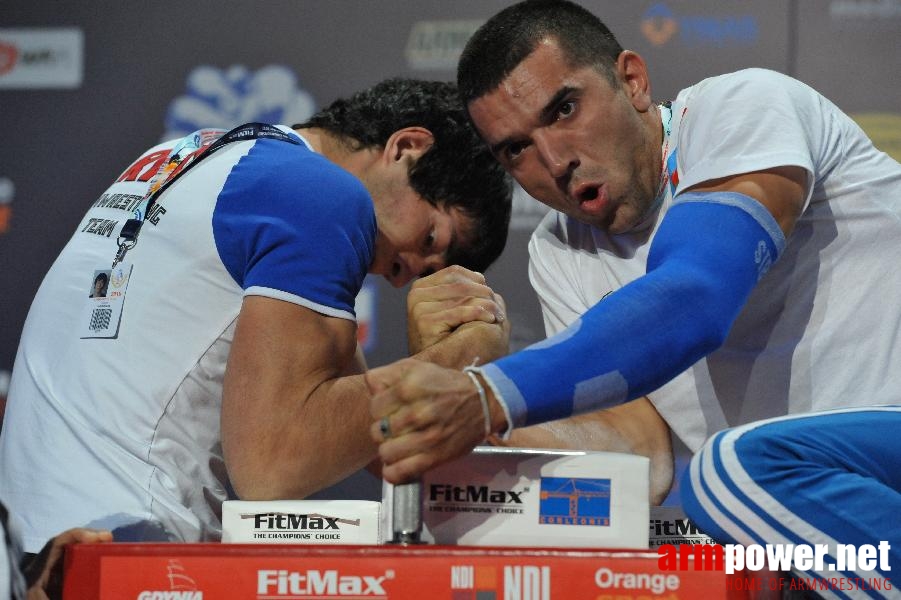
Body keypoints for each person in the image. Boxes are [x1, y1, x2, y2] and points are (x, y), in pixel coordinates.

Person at [366, 0, 901, 586]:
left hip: (871, 458)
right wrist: (434, 418)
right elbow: (641, 456)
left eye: (564, 109)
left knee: (728, 474)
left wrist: (488, 394)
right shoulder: (559, 251)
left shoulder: (741, 107)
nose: (555, 160)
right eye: (516, 149)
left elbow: (695, 297)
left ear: (633, 80)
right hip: (810, 521)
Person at [0, 78, 513, 552]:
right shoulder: (320, 196)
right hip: (121, 543)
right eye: (430, 240)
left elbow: (379, 442)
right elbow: (273, 464)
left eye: (426, 274)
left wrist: (433, 366)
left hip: (33, 549)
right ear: (406, 148)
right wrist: (465, 353)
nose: (405, 278)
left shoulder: (199, 153)